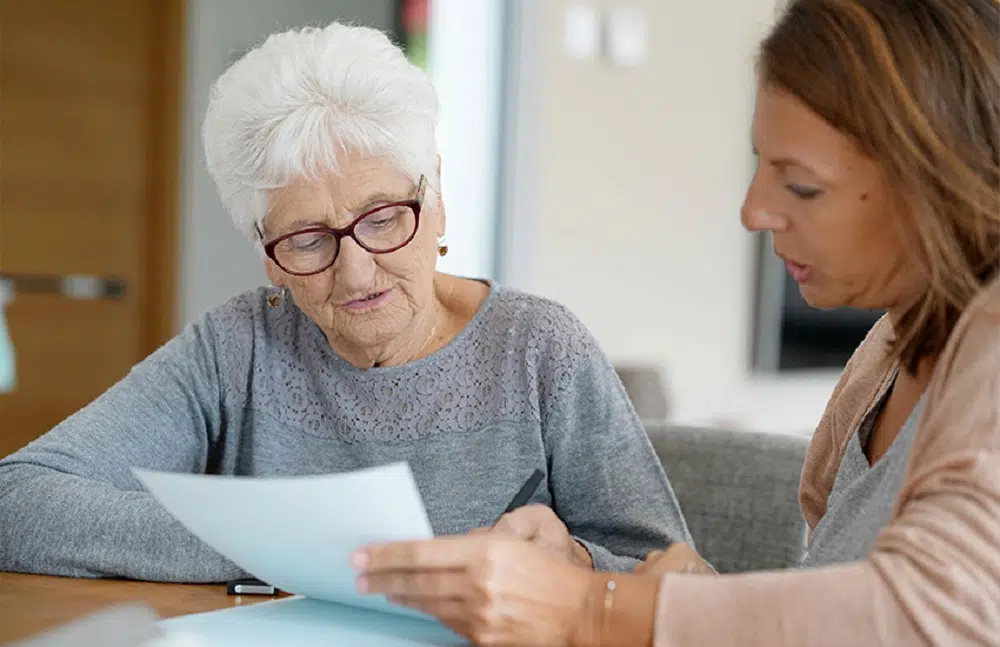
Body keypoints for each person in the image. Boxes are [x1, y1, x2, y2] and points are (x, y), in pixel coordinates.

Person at [351, 0, 1000, 644]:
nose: (754, 211)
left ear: (937, 178)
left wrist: (591, 606)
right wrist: (598, 574)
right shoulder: (890, 350)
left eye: (800, 185)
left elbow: (935, 614)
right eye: (760, 166)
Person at [0, 23, 692, 581]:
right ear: (265, 250)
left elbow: (686, 584)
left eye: (385, 216)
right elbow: (17, 500)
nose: (357, 273)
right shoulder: (238, 346)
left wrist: (575, 566)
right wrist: (282, 543)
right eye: (307, 240)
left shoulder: (540, 350)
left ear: (437, 196)